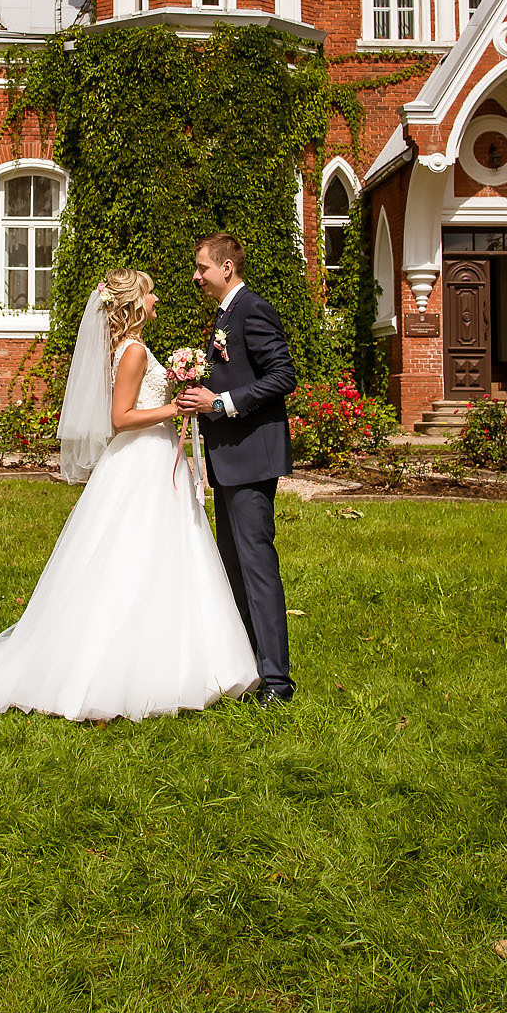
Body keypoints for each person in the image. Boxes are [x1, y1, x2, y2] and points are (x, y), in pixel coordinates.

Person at [0, 268, 259, 721]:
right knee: (137, 559)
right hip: (141, 459)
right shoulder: (134, 351)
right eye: (150, 292)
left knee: (160, 557)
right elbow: (120, 418)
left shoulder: (127, 347)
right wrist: (176, 406)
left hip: (152, 457)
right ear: (132, 303)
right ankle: (135, 669)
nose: (157, 298)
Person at [174, 233, 298, 705]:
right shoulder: (225, 315)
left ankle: (278, 682)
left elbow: (282, 375)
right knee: (233, 566)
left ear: (227, 267)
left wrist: (221, 403)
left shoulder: (252, 309)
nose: (196, 276)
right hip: (229, 460)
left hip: (250, 459)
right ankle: (248, 667)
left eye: (202, 267)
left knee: (257, 567)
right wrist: (198, 395)